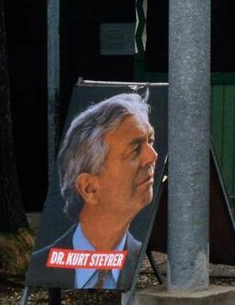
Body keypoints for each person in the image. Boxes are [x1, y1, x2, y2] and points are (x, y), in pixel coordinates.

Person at [28, 93, 157, 290]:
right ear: (89, 188)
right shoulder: (42, 265)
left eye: (151, 141)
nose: (153, 156)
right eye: (135, 150)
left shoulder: (136, 255)